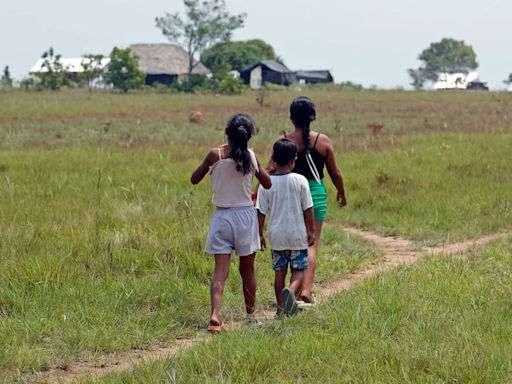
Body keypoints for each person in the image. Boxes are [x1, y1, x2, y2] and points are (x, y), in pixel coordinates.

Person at [191, 113, 271, 332]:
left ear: (227, 132)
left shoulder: (214, 154)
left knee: (220, 271)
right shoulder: (251, 156)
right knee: (248, 270)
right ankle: (250, 315)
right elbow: (267, 183)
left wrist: (210, 163)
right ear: (248, 136)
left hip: (222, 217)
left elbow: (194, 179)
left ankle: (215, 316)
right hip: (245, 216)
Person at [267, 96, 347, 304]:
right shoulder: (323, 141)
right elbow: (335, 173)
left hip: (289, 197)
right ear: (313, 117)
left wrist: (259, 192)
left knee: (293, 244)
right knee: (311, 244)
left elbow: (269, 169)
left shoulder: (283, 141)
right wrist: (341, 192)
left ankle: (293, 288)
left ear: (291, 117)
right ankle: (306, 291)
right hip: (316, 194)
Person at [256, 138, 315, 316]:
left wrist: (259, 235)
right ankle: (291, 291)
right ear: (293, 160)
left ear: (273, 159)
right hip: (297, 235)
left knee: (279, 273)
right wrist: (311, 231)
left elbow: (260, 212)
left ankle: (280, 309)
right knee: (298, 270)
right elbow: (308, 208)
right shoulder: (300, 180)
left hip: (276, 236)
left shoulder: (267, 184)